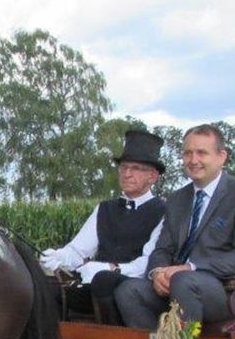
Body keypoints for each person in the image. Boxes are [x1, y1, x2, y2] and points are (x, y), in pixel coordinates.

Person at [115, 124, 235, 339]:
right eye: (187, 153)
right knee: (128, 290)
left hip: (225, 290)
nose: (193, 160)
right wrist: (157, 273)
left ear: (221, 156)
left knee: (184, 281)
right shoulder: (177, 199)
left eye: (201, 153)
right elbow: (162, 248)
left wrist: (190, 268)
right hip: (176, 284)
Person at [39, 129, 167, 323]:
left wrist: (111, 269)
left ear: (153, 177)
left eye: (135, 168)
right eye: (123, 167)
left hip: (135, 289)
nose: (127, 174)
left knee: (104, 280)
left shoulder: (164, 212)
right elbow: (78, 250)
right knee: (47, 288)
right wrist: (57, 256)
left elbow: (149, 263)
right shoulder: (104, 209)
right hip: (96, 287)